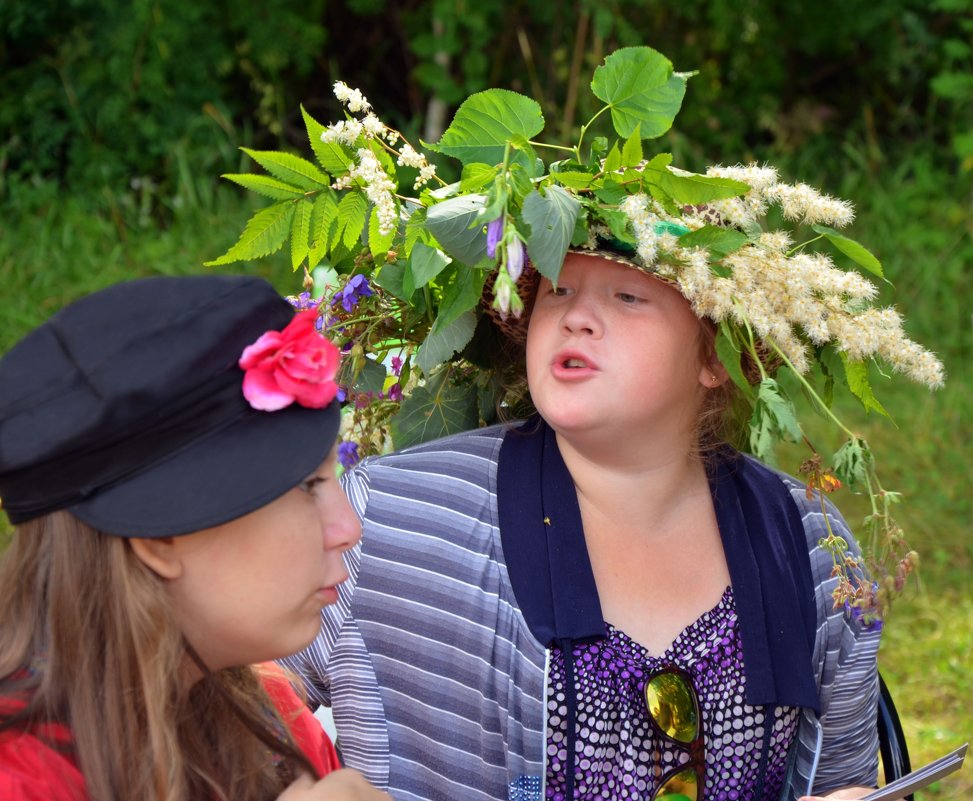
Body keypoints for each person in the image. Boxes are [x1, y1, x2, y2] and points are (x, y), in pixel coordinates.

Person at [280, 247, 888, 801]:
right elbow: (222, 713)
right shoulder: (394, 524)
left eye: (627, 297)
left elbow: (843, 779)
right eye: (558, 291)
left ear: (714, 357)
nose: (577, 318)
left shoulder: (808, 547)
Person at [0, 275, 389, 801]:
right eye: (305, 485)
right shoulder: (19, 779)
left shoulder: (273, 718)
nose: (349, 529)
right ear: (159, 537)